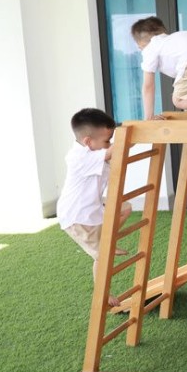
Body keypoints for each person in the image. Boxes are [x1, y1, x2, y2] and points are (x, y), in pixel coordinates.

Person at [57, 108, 132, 307]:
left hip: (93, 207)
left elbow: (114, 155)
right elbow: (112, 152)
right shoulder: (78, 157)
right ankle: (103, 294)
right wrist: (130, 135)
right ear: (88, 142)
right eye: (106, 140)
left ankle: (109, 239)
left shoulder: (95, 152)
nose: (109, 144)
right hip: (78, 217)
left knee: (125, 207)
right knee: (103, 257)